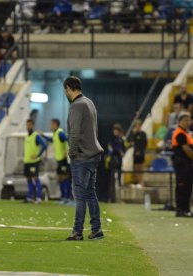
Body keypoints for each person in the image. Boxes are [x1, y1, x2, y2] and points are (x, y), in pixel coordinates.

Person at [63, 76, 104, 241]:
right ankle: (96, 229)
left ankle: (77, 231)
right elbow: (94, 130)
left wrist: (72, 153)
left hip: (82, 157)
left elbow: (74, 133)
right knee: (90, 194)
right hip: (94, 154)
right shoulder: (89, 102)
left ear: (68, 88)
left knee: (79, 196)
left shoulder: (76, 106)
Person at [41, 118, 71, 204]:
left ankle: (67, 198)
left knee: (65, 178)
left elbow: (68, 139)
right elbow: (52, 140)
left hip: (63, 159)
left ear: (55, 124)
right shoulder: (55, 134)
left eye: (51, 124)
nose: (50, 125)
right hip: (58, 160)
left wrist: (67, 150)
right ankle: (63, 197)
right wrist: (43, 135)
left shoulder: (60, 133)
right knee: (60, 178)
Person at [171, 113, 193, 217]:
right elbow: (187, 150)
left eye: (189, 120)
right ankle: (181, 210)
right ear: (179, 122)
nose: (188, 122)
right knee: (182, 187)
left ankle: (186, 209)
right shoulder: (180, 133)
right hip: (182, 163)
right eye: (185, 120)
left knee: (187, 187)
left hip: (187, 164)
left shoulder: (186, 133)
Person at [24, 119, 47, 203]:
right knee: (29, 179)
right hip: (27, 161)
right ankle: (29, 197)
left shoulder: (36, 135)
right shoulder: (27, 136)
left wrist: (37, 155)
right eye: (27, 125)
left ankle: (38, 198)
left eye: (29, 125)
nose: (28, 126)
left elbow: (44, 145)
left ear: (33, 126)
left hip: (34, 162)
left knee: (35, 178)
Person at [106, 123, 126, 202]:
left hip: (119, 160)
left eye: (117, 130)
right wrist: (118, 151)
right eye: (115, 130)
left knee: (119, 178)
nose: (115, 132)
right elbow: (111, 149)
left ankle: (119, 198)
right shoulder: (111, 139)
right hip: (112, 160)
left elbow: (123, 148)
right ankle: (111, 198)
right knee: (111, 179)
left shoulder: (121, 139)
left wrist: (122, 152)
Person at [128, 119, 147, 186]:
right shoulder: (134, 134)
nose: (137, 126)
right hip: (135, 154)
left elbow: (144, 144)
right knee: (136, 169)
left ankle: (142, 182)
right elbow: (131, 142)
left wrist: (139, 151)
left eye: (138, 125)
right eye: (136, 125)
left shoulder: (143, 134)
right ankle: (139, 182)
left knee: (140, 169)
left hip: (141, 153)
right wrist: (134, 134)